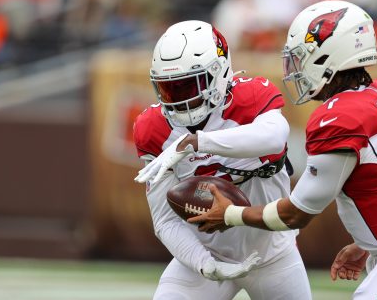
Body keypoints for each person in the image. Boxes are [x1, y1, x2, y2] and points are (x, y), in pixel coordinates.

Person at [189, 0, 377, 300]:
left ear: (331, 55)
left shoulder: (340, 118)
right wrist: (368, 243)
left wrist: (231, 214)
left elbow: (295, 214)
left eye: (302, 58)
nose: (295, 69)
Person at [133, 20, 311, 300]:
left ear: (219, 72)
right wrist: (205, 265)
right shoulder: (152, 128)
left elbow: (274, 136)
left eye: (189, 86)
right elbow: (165, 221)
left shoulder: (250, 96)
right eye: (170, 90)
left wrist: (197, 142)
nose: (180, 100)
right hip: (208, 251)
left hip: (273, 253)